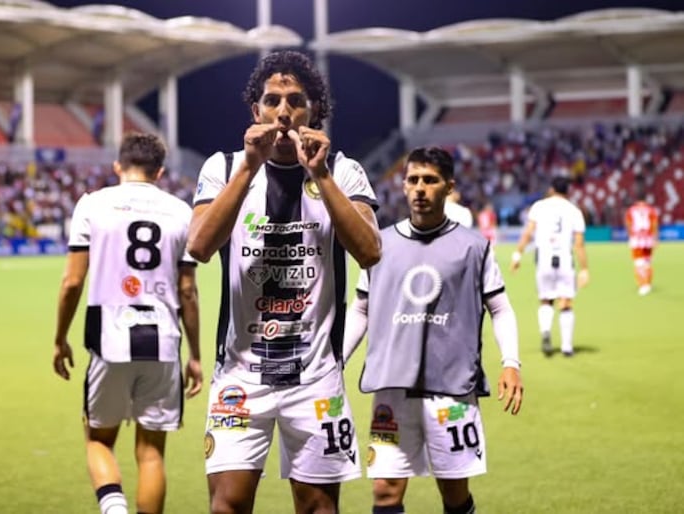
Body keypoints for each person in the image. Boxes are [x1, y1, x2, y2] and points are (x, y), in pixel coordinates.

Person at [187, 50, 381, 514]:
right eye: (272, 100)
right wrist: (249, 168)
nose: (283, 111)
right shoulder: (223, 167)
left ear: (315, 110)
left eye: (296, 100)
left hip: (315, 378)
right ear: (255, 111)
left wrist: (321, 174)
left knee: (318, 509)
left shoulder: (346, 172)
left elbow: (371, 250)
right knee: (226, 507)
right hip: (239, 375)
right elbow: (198, 245)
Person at [343, 146, 523, 514]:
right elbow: (361, 306)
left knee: (454, 494)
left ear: (449, 187)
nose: (420, 188)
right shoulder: (378, 244)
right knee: (385, 492)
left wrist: (511, 363)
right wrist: (335, 362)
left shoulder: (474, 247)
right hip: (392, 387)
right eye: (413, 180)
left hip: (452, 389)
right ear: (403, 186)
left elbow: (500, 307)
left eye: (430, 180)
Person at [53, 132, 204, 514]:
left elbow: (72, 281)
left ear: (118, 166)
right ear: (160, 171)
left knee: (98, 439)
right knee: (151, 453)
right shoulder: (182, 212)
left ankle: (113, 508)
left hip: (109, 339)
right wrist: (196, 355)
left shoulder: (92, 205)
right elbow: (188, 291)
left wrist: (60, 339)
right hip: (164, 342)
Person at [511, 176, 589, 357]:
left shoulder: (539, 207)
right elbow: (579, 244)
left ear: (552, 189)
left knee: (546, 300)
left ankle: (546, 332)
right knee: (566, 302)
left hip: (543, 259)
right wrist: (584, 269)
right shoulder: (574, 211)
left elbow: (528, 233)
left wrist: (517, 255)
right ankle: (567, 347)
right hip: (564, 259)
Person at [624, 189, 659, 296]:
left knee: (638, 263)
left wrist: (630, 236)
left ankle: (643, 285)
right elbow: (654, 225)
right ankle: (648, 283)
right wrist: (655, 238)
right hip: (648, 239)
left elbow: (629, 225)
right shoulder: (651, 210)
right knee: (647, 263)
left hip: (637, 239)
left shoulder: (631, 210)